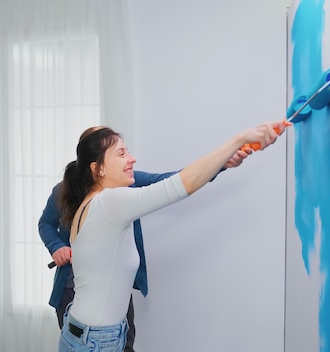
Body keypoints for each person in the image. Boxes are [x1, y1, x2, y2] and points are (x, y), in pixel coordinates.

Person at [56, 122, 282, 352]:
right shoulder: (110, 203)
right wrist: (239, 138)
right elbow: (180, 184)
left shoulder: (91, 202)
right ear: (98, 169)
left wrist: (222, 162)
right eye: (121, 154)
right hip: (95, 341)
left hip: (83, 333)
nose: (132, 159)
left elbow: (174, 180)